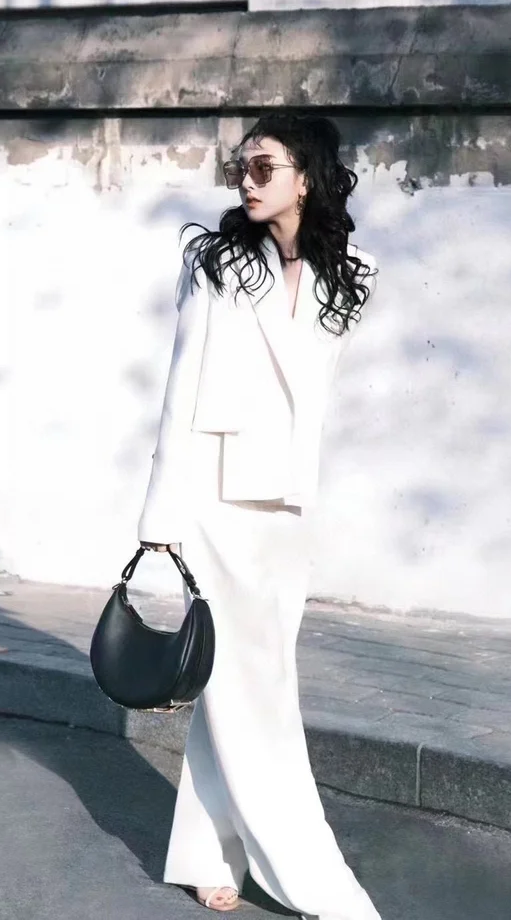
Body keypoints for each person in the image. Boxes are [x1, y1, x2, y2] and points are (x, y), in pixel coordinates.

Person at [137, 113, 380, 920]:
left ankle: (208, 854)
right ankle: (314, 879)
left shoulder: (354, 274)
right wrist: (160, 515)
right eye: (240, 167)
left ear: (306, 177)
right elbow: (180, 388)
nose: (246, 179)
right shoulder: (216, 264)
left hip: (288, 507)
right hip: (217, 498)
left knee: (242, 681)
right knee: (257, 690)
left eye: (264, 167)